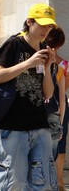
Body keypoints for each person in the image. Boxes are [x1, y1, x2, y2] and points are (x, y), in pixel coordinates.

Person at [0, 3, 57, 190]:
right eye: (43, 24)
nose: (46, 29)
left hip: (39, 124)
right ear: (29, 22)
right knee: (12, 181)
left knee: (41, 182)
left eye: (49, 25)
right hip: (14, 125)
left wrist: (46, 67)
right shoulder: (14, 44)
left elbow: (48, 94)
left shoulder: (44, 49)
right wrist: (27, 63)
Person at [45, 27, 68, 191]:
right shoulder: (63, 65)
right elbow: (64, 92)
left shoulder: (38, 60)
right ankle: (58, 182)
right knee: (58, 147)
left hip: (43, 109)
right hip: (58, 110)